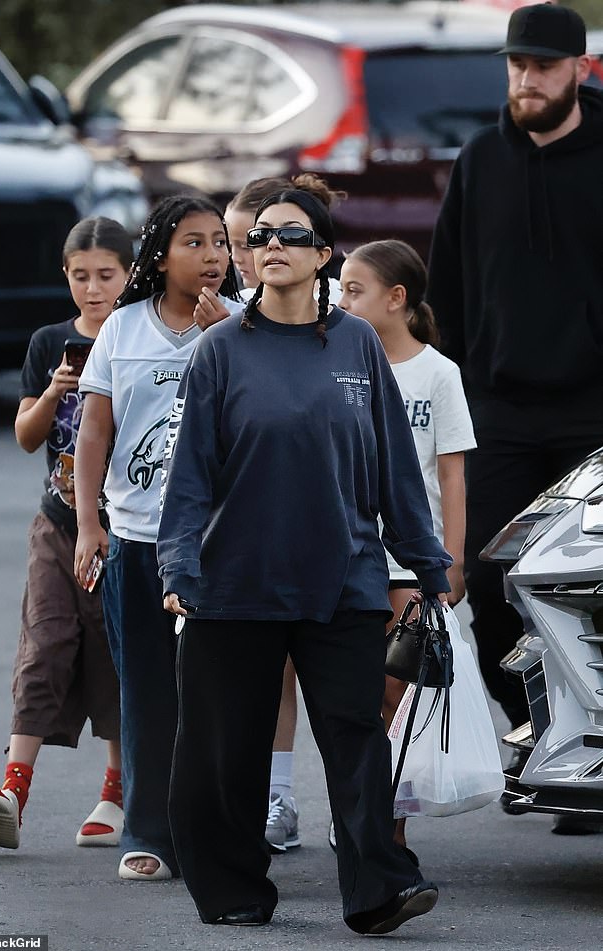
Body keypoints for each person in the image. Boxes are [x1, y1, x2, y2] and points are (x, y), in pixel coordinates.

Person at [157, 182, 452, 932]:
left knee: (357, 743)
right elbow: (188, 474)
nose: (272, 247)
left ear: (325, 254)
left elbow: (395, 468)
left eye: (291, 235)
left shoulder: (357, 343)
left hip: (344, 582)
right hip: (233, 585)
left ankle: (378, 887)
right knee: (229, 752)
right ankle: (233, 889)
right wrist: (178, 567)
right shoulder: (220, 351)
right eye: (259, 237)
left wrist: (428, 567)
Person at [427, 3, 603, 780]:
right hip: (499, 408)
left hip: (595, 412)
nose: (526, 80)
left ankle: (594, 748)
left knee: (592, 594)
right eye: (516, 65)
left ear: (581, 70)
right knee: (488, 581)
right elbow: (447, 289)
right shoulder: (480, 160)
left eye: (542, 66)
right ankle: (537, 730)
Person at [72, 196, 242, 880]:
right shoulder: (121, 329)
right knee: (144, 690)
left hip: (220, 542)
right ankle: (147, 832)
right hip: (137, 540)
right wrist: (90, 523)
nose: (212, 255)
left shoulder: (242, 324)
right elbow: (93, 433)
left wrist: (230, 330)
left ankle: (219, 829)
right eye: (194, 242)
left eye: (219, 243)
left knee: (220, 693)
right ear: (159, 255)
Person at [0, 217, 132, 851]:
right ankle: (13, 787)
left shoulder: (139, 335)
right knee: (44, 641)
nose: (93, 290)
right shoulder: (48, 343)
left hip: (125, 527)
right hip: (59, 522)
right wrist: (54, 392)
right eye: (80, 276)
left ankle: (117, 791)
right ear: (65, 276)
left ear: (129, 275)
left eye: (106, 276)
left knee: (115, 650)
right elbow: (25, 436)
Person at [338, 238, 476, 856]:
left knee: (395, 695)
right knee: (355, 694)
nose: (341, 300)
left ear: (396, 299)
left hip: (411, 560)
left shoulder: (438, 373)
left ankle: (385, 825)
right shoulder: (340, 360)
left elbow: (451, 474)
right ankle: (361, 817)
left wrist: (450, 558)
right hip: (348, 553)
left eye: (354, 290)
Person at [225, 174, 344, 854]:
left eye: (273, 236)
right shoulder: (224, 328)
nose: (251, 251)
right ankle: (263, 800)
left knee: (330, 686)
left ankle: (351, 813)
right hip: (243, 540)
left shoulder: (332, 322)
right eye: (246, 239)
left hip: (325, 536)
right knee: (258, 681)